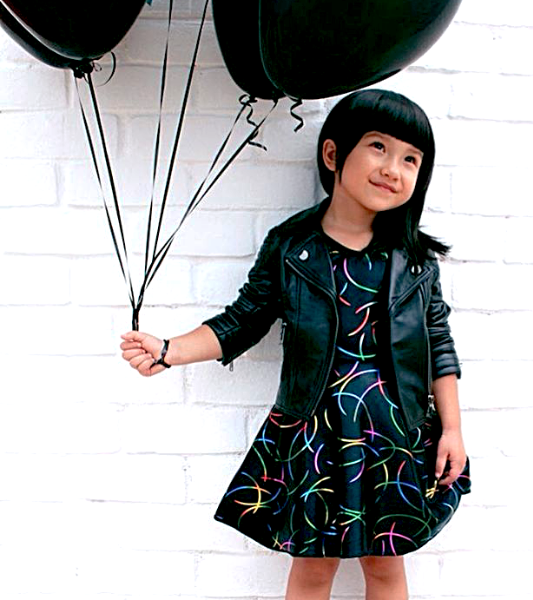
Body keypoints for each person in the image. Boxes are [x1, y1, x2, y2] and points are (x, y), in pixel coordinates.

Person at [121, 89, 471, 600]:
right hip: (316, 433)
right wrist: (169, 350)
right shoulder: (291, 247)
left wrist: (452, 429)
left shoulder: (414, 260)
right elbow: (242, 321)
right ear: (333, 154)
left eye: (410, 159)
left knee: (385, 566)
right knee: (312, 568)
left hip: (393, 433)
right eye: (378, 146)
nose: (392, 169)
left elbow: (438, 345)